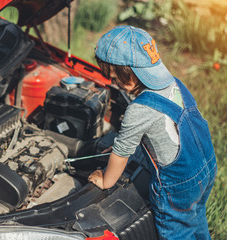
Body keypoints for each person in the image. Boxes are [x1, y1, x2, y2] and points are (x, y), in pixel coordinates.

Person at [88, 25, 217, 240]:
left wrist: (105, 181)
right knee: (195, 218)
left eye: (113, 76)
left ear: (125, 73)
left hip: (178, 185)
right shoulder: (175, 84)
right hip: (206, 165)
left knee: (178, 232)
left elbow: (121, 153)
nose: (112, 81)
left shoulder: (139, 109)